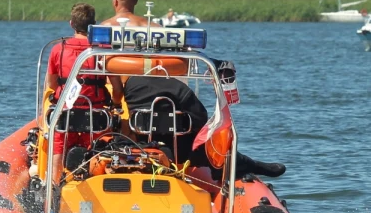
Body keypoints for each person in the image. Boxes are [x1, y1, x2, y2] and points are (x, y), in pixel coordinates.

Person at [120, 75, 284, 178]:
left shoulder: (129, 87)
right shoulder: (178, 88)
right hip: (181, 151)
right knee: (217, 152)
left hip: (140, 147)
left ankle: (245, 167)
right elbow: (200, 118)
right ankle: (251, 166)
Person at [47, 3, 123, 182]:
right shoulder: (103, 50)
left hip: (66, 112)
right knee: (100, 145)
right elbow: (117, 88)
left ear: (71, 24)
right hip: (95, 114)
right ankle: (95, 180)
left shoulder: (58, 49)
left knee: (58, 146)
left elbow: (51, 83)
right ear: (93, 25)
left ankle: (54, 183)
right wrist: (116, 104)